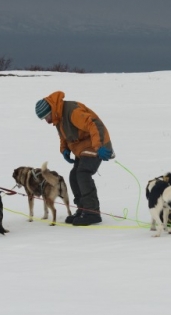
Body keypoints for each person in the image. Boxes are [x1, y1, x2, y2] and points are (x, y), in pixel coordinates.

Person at [35, 91, 114, 226]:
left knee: (82, 173)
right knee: (73, 176)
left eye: (46, 117)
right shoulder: (58, 116)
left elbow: (94, 124)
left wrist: (99, 146)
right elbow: (63, 135)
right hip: (83, 147)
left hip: (97, 145)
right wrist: (64, 149)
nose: (47, 121)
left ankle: (92, 213)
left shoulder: (72, 112)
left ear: (51, 110)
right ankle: (83, 209)